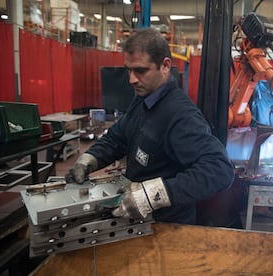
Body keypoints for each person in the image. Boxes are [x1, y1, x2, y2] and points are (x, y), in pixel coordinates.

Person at [65, 28, 235, 225]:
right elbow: (117, 137)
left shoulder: (180, 115)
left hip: (166, 226)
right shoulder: (143, 100)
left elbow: (220, 169)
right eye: (129, 70)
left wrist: (152, 195)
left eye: (140, 70)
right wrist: (88, 160)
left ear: (165, 66)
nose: (131, 79)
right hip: (135, 217)